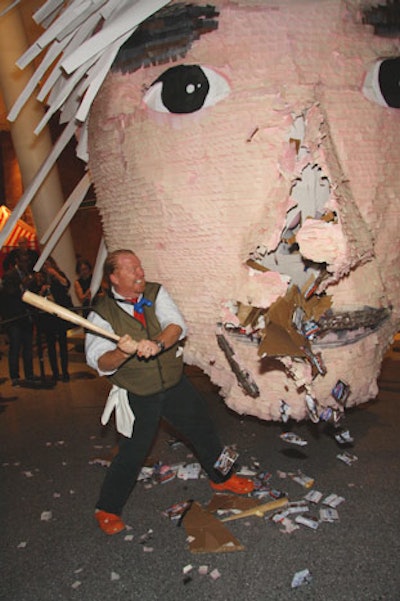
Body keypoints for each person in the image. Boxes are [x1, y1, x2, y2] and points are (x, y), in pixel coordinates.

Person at [85, 249, 254, 535]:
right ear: (114, 277)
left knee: (204, 430)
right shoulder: (101, 313)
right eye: (132, 269)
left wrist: (157, 344)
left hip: (175, 384)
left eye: (140, 266)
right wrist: (120, 352)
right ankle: (107, 508)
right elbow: (98, 360)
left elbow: (176, 325)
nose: (141, 273)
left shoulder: (156, 292)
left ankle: (223, 477)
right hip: (138, 393)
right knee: (132, 453)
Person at [35, 257, 72, 383]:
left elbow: (66, 284)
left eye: (47, 264)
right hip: (47, 316)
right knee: (50, 345)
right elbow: (36, 297)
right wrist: (42, 291)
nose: (46, 266)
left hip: (59, 314)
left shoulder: (58, 275)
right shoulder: (40, 278)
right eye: (44, 264)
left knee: (62, 345)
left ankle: (65, 372)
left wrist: (55, 273)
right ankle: (55, 373)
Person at [1, 251, 36, 386]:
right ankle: (15, 377)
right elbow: (8, 294)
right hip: (14, 317)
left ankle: (29, 374)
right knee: (15, 347)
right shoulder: (10, 275)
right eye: (22, 261)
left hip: (26, 316)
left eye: (27, 261)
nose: (25, 264)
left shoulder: (29, 275)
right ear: (17, 261)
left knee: (28, 347)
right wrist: (22, 285)